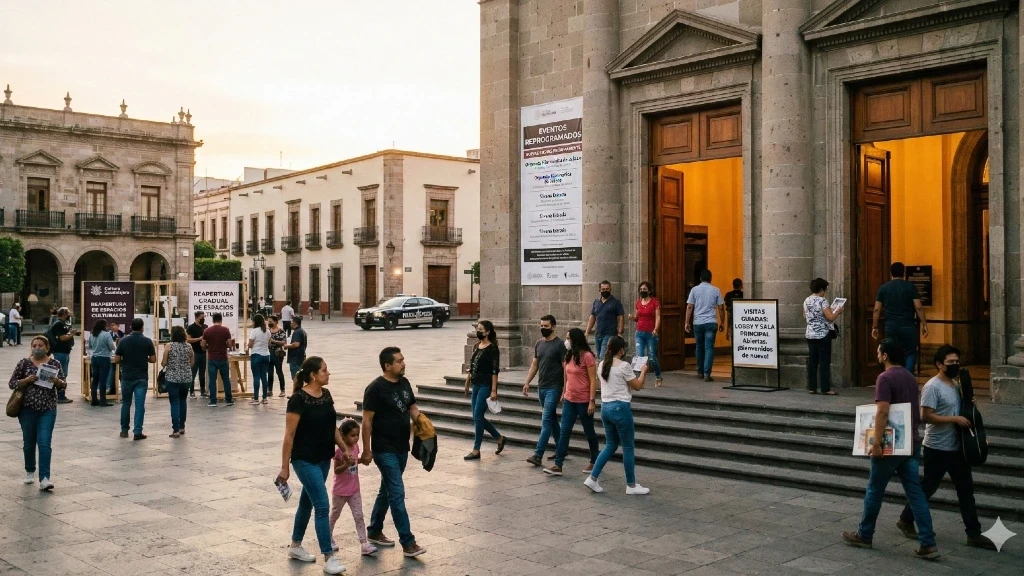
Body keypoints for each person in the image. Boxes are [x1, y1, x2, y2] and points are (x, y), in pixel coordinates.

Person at [842, 339, 939, 559]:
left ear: (885, 355)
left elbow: (883, 412)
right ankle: (928, 543)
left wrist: (875, 443)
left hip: (891, 445)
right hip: (911, 443)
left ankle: (864, 534)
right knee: (915, 494)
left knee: (875, 489)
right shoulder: (909, 376)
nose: (877, 354)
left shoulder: (884, 378)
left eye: (879, 351)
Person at [896, 345, 996, 550]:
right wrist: (955, 419)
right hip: (937, 448)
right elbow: (926, 416)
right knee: (928, 488)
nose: (955, 365)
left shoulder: (956, 385)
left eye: (957, 362)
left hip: (958, 448)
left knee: (966, 490)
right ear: (939, 365)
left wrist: (971, 412)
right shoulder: (932, 387)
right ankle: (905, 519)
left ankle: (974, 534)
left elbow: (965, 414)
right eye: (951, 362)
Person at [279, 357, 352, 575]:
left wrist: (344, 449)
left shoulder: (326, 395)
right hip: (304, 459)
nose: (328, 374)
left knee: (307, 503)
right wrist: (285, 467)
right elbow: (289, 435)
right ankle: (329, 557)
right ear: (313, 375)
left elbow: (332, 428)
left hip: (323, 458)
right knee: (321, 505)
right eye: (324, 370)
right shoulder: (298, 400)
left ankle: (295, 546)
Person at [360, 347, 427, 557]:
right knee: (397, 493)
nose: (403, 363)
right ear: (387, 365)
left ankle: (374, 530)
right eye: (399, 361)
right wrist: (367, 450)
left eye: (403, 360)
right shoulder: (375, 389)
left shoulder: (404, 383)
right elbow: (367, 421)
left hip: (401, 448)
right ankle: (408, 542)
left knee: (386, 490)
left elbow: (412, 408)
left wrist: (423, 422)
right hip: (384, 448)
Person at [585, 336, 650, 495]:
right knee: (628, 447)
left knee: (611, 445)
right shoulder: (624, 366)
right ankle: (631, 485)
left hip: (606, 408)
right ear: (621, 350)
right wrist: (643, 372)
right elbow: (638, 386)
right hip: (620, 408)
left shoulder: (602, 365)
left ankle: (593, 478)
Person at [9, 336, 68, 490]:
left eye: (40, 345)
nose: (37, 348)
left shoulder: (55, 364)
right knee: (29, 443)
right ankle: (29, 470)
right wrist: (26, 380)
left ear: (47, 347)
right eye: (34, 345)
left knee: (44, 442)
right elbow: (12, 382)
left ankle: (45, 478)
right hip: (27, 409)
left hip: (47, 409)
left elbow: (63, 384)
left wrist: (56, 381)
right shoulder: (24, 363)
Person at [545, 328, 600, 476]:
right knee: (564, 431)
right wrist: (564, 391)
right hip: (570, 399)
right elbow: (566, 374)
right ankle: (558, 464)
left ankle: (595, 460)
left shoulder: (587, 356)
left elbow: (593, 379)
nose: (566, 340)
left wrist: (592, 401)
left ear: (575, 339)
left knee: (589, 431)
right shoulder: (568, 355)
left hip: (583, 400)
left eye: (568, 338)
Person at [329, 419, 378, 556]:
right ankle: (327, 537)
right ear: (343, 436)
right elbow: (337, 470)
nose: (356, 438)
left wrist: (364, 459)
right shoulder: (339, 451)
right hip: (340, 490)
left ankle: (364, 543)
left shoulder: (356, 448)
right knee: (334, 515)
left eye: (357, 435)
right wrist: (346, 464)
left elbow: (355, 462)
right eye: (352, 435)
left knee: (358, 515)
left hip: (354, 489)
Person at [523, 315, 564, 466]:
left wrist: (565, 388)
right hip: (542, 387)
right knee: (552, 420)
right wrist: (527, 381)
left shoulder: (559, 345)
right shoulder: (539, 343)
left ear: (553, 326)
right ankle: (562, 449)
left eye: (546, 326)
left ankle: (538, 454)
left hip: (554, 387)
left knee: (546, 420)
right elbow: (535, 364)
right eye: (541, 326)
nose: (543, 328)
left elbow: (565, 368)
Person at [873, 262, 928, 372]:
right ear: (904, 273)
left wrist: (874, 326)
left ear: (891, 273)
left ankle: (895, 378)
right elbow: (918, 307)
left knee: (892, 351)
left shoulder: (883, 288)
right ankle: (907, 378)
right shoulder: (910, 287)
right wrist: (924, 324)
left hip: (891, 325)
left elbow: (877, 309)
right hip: (908, 325)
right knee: (911, 352)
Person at [463, 320, 506, 460]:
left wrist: (494, 390)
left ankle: (476, 450)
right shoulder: (477, 346)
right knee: (477, 416)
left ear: (487, 332)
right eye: (477, 328)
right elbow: (472, 365)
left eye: (481, 329)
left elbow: (494, 370)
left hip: (486, 385)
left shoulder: (492, 348)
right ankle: (499, 438)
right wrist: (467, 381)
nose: (478, 331)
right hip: (475, 384)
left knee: (478, 416)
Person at [113, 318, 156, 440]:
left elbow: (116, 359)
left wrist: (124, 361)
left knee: (126, 403)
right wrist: (144, 358)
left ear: (131, 327)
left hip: (126, 376)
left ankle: (124, 430)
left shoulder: (123, 340)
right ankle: (137, 431)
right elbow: (153, 359)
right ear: (142, 328)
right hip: (141, 377)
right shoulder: (147, 341)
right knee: (139, 405)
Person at [804, 278, 844, 395]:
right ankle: (825, 388)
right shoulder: (823, 301)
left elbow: (804, 315)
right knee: (824, 361)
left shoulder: (806, 300)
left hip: (810, 333)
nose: (825, 292)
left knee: (812, 361)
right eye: (825, 289)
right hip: (822, 334)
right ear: (821, 289)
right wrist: (838, 311)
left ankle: (812, 387)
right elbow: (830, 317)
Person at [684, 269, 725, 382]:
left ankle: (700, 371)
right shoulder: (716, 290)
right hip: (711, 322)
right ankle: (707, 374)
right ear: (710, 278)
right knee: (709, 348)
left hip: (698, 323)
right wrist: (722, 322)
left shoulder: (694, 290)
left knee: (699, 347)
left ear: (700, 278)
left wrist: (686, 322)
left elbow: (689, 306)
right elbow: (721, 308)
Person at [627, 281, 662, 387]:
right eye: (641, 289)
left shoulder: (655, 301)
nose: (642, 291)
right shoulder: (638, 302)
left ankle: (658, 376)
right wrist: (632, 317)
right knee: (640, 357)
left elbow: (658, 317)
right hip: (640, 333)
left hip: (651, 333)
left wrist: (656, 329)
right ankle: (640, 380)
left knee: (652, 357)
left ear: (649, 290)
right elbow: (637, 318)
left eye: (644, 289)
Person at [161, 326, 194, 438]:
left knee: (174, 402)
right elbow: (192, 363)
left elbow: (163, 363)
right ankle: (182, 426)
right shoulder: (189, 346)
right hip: (186, 378)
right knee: (183, 400)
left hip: (172, 378)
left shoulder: (169, 346)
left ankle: (175, 430)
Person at [585, 280, 624, 361]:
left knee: (603, 357)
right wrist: (587, 332)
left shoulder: (616, 302)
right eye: (603, 289)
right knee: (599, 356)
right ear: (599, 290)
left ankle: (602, 373)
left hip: (610, 334)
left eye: (607, 289)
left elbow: (621, 317)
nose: (605, 291)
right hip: (598, 334)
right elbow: (592, 317)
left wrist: (620, 332)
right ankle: (604, 372)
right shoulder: (596, 302)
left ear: (610, 289)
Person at [202, 312, 235, 407]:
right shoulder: (226, 330)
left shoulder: (207, 331)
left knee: (212, 380)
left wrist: (209, 346)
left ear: (213, 320)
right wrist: (223, 345)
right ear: (221, 320)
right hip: (223, 357)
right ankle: (228, 400)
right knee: (226, 379)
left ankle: (213, 401)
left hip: (212, 358)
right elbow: (229, 344)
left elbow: (203, 345)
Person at [48, 307, 78, 404]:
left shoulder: (61, 323)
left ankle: (60, 395)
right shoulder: (59, 324)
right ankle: (60, 396)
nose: (70, 315)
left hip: (63, 351)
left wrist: (70, 333)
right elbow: (62, 338)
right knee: (62, 374)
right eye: (68, 313)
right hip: (60, 351)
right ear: (64, 314)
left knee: (62, 373)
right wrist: (72, 334)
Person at [87, 320, 115, 406]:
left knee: (95, 379)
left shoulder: (92, 335)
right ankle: (103, 400)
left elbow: (90, 346)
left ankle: (94, 399)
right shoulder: (106, 335)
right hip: (104, 358)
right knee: (103, 380)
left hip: (94, 358)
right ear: (104, 326)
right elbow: (111, 346)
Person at [248, 313, 272, 405]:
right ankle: (265, 398)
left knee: (256, 377)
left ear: (255, 322)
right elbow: (269, 344)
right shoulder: (267, 331)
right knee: (264, 377)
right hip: (266, 355)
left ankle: (256, 398)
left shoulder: (254, 331)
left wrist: (248, 345)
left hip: (256, 354)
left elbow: (250, 345)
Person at [185, 311, 208, 399]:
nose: (203, 319)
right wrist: (199, 339)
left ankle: (202, 391)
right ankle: (191, 392)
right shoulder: (191, 328)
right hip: (194, 353)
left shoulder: (205, 327)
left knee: (202, 373)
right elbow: (188, 340)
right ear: (196, 318)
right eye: (201, 318)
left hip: (203, 353)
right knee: (193, 373)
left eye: (203, 317)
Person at [268, 315, 288, 397]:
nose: (269, 323)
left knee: (279, 371)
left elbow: (284, 342)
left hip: (278, 353)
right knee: (269, 372)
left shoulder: (281, 331)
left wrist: (273, 341)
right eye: (268, 321)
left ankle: (282, 390)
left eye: (270, 321)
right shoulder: (268, 331)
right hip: (268, 353)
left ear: (276, 322)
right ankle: (269, 389)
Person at [105, 321, 126, 396]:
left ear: (118, 326)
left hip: (121, 355)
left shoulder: (122, 333)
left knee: (121, 373)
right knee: (112, 372)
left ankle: (124, 389)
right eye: (111, 325)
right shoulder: (109, 334)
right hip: (113, 354)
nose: (112, 327)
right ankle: (112, 388)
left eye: (114, 325)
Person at [286, 316, 308, 381]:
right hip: (301, 356)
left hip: (295, 358)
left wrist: (287, 346)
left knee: (296, 377)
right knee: (300, 377)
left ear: (294, 323)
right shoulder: (302, 331)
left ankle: (297, 390)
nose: (290, 324)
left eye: (291, 323)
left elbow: (296, 344)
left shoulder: (297, 332)